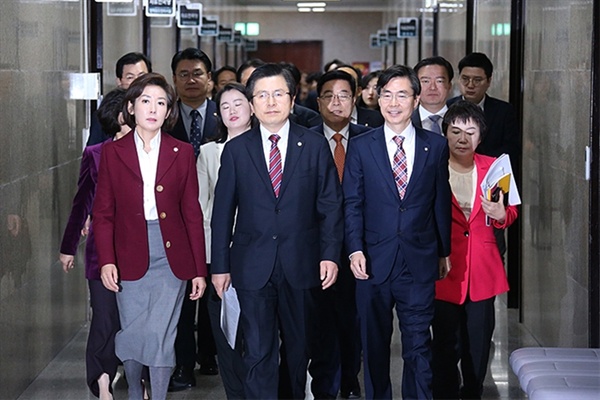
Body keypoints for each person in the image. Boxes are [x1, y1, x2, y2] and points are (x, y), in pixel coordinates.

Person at [210, 63, 343, 400]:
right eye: (262, 95)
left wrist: (330, 255)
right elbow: (223, 213)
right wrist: (220, 266)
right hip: (251, 265)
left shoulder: (313, 145)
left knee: (299, 352)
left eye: (278, 94)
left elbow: (330, 206)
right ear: (252, 103)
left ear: (292, 98)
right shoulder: (237, 151)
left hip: (302, 263)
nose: (271, 102)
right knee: (257, 351)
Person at [92, 73, 207, 400]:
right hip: (128, 251)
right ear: (131, 107)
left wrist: (199, 268)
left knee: (161, 334)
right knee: (133, 332)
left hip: (172, 255)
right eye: (146, 101)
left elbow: (192, 213)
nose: (153, 109)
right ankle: (134, 389)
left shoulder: (181, 152)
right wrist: (107, 261)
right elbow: (103, 213)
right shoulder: (113, 153)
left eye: (161, 103)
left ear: (169, 110)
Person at [343, 65, 452, 400]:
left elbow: (439, 202)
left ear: (416, 99)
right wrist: (354, 249)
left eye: (402, 95)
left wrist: (443, 251)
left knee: (418, 344)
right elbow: (352, 202)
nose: (393, 102)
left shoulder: (435, 146)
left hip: (418, 260)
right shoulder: (362, 146)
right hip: (372, 260)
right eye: (386, 94)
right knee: (373, 345)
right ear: (377, 100)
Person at [432, 100, 518, 399]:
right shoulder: (433, 166)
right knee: (445, 343)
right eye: (455, 131)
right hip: (444, 269)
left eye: (470, 132)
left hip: (482, 269)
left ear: (481, 136)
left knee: (479, 343)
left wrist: (499, 214)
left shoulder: (495, 167)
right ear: (445, 134)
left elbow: (509, 214)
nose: (462, 138)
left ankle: (473, 391)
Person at [59, 88, 128, 400]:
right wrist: (68, 246)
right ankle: (101, 379)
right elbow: (80, 203)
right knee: (104, 318)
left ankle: (136, 375)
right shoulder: (96, 154)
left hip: (141, 251)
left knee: (133, 321)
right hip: (101, 252)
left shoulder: (151, 153)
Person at [308, 69, 370, 400]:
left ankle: (350, 376)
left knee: (353, 319)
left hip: (359, 248)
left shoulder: (369, 139)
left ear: (354, 99)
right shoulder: (304, 140)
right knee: (320, 321)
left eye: (343, 95)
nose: (336, 101)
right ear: (318, 102)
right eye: (329, 95)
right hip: (316, 247)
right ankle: (324, 385)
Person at [196, 82, 256, 399]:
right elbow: (204, 208)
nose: (232, 111)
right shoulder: (209, 152)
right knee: (225, 330)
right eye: (225, 106)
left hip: (259, 253)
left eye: (238, 103)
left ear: (252, 107)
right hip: (220, 254)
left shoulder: (268, 147)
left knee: (257, 332)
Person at [168, 47, 219, 391]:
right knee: (183, 300)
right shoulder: (164, 119)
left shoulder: (227, 115)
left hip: (218, 224)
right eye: (183, 74)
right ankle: (183, 364)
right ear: (174, 80)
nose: (191, 80)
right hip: (177, 223)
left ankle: (211, 355)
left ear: (209, 79)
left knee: (216, 294)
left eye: (197, 73)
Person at [447, 52, 521, 257]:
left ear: (489, 81)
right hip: (454, 191)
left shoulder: (504, 111)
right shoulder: (447, 108)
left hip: (489, 194)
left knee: (490, 255)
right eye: (465, 79)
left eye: (477, 80)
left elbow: (510, 153)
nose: (470, 85)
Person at [87, 52, 152, 146]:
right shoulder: (104, 116)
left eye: (142, 76)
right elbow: (93, 155)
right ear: (119, 81)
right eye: (130, 77)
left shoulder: (160, 111)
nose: (137, 82)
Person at [412, 56, 454, 135]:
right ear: (416, 86)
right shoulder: (404, 122)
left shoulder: (463, 121)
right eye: (426, 81)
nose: (432, 87)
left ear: (449, 86)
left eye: (439, 81)